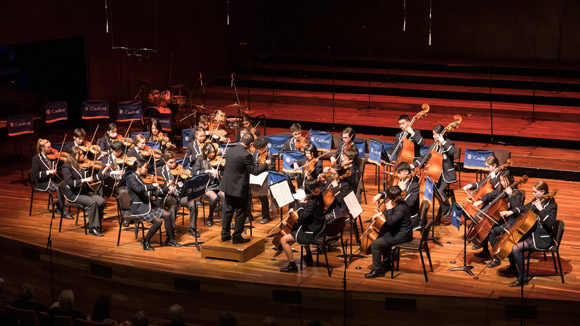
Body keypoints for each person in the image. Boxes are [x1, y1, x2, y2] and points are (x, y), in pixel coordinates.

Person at [497, 180, 557, 287]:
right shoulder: (537, 200)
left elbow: (550, 222)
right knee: (511, 240)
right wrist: (510, 212)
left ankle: (522, 278)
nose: (533, 194)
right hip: (533, 232)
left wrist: (541, 209)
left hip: (542, 238)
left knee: (515, 248)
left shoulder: (551, 206)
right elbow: (524, 207)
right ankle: (513, 268)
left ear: (543, 191)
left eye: (535, 192)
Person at [219, 133, 269, 243]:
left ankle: (225, 234)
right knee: (241, 212)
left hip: (228, 186)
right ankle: (237, 237)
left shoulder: (230, 150)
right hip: (239, 189)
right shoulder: (246, 155)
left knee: (228, 210)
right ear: (251, 144)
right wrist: (266, 164)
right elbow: (255, 172)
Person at [127, 159, 181, 250]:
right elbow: (138, 189)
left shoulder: (142, 177)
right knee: (158, 221)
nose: (147, 169)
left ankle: (170, 239)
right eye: (145, 167)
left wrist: (166, 188)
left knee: (167, 215)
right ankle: (146, 241)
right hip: (139, 207)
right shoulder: (131, 177)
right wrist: (153, 186)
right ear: (139, 168)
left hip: (148, 204)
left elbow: (155, 193)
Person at [365, 186, 413, 278]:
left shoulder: (400, 208)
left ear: (392, 198)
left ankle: (378, 270)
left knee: (375, 244)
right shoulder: (400, 202)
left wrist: (389, 209)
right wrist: (382, 213)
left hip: (402, 235)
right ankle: (387, 264)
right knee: (383, 234)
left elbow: (391, 222)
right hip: (400, 231)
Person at [279, 179, 325, 272]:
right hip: (318, 227)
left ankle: (292, 265)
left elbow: (301, 216)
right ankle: (308, 255)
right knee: (300, 227)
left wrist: (300, 205)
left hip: (311, 232)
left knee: (283, 240)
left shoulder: (311, 203)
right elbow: (308, 212)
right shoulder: (319, 197)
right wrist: (303, 205)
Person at [412, 124, 458, 216]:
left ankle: (448, 207)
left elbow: (452, 151)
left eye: (435, 134)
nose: (433, 136)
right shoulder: (434, 145)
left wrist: (443, 142)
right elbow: (425, 156)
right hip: (436, 173)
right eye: (433, 134)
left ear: (441, 135)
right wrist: (413, 165)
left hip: (446, 175)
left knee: (438, 191)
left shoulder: (448, 143)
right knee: (429, 189)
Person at [62, 146, 106, 237]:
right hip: (74, 194)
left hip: (83, 191)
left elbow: (89, 179)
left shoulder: (78, 164)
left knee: (101, 201)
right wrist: (84, 180)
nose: (83, 156)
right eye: (81, 154)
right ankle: (92, 228)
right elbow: (70, 183)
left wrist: (104, 172)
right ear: (75, 155)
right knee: (92, 202)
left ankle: (93, 221)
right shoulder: (66, 166)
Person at [484, 170, 524, 268]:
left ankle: (497, 257)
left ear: (510, 180)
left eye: (504, 181)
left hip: (512, 222)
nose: (502, 183)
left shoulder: (516, 193)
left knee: (492, 232)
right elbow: (492, 195)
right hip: (503, 219)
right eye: (501, 181)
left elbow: (517, 209)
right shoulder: (502, 189)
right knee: (488, 229)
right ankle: (491, 253)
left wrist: (510, 195)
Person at [159, 150, 199, 237]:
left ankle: (193, 229)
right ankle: (171, 232)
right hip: (168, 197)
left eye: (175, 161)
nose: (174, 164)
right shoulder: (160, 171)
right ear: (165, 161)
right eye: (171, 162)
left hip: (180, 196)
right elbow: (159, 187)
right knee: (173, 206)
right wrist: (167, 188)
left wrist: (189, 178)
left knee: (193, 204)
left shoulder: (180, 169)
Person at [30, 138, 72, 219]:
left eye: (50, 146)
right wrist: (48, 172)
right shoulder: (36, 159)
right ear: (42, 148)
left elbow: (59, 167)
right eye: (48, 147)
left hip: (54, 179)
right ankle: (64, 211)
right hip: (44, 182)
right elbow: (35, 174)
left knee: (66, 185)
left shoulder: (52, 156)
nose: (51, 149)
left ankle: (59, 205)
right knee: (59, 188)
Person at [373, 162, 420, 229]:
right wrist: (381, 194)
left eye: (399, 173)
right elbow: (392, 190)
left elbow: (410, 203)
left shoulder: (415, 186)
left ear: (406, 172)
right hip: (400, 213)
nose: (397, 175)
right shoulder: (401, 181)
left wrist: (404, 190)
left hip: (409, 220)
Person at [192, 143, 226, 228]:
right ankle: (210, 217)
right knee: (214, 197)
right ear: (205, 152)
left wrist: (221, 168)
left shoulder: (218, 159)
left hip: (217, 184)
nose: (213, 154)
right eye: (211, 152)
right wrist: (207, 171)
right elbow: (194, 173)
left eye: (214, 152)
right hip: (206, 186)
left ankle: (225, 219)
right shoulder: (200, 159)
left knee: (225, 195)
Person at [251, 136, 274, 224]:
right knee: (247, 193)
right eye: (257, 149)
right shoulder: (256, 153)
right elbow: (253, 164)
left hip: (266, 178)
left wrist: (264, 166)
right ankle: (248, 216)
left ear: (265, 147)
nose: (258, 151)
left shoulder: (269, 155)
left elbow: (271, 169)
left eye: (260, 149)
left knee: (262, 195)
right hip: (256, 177)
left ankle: (266, 216)